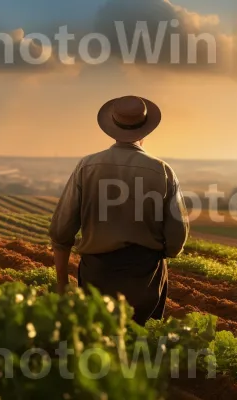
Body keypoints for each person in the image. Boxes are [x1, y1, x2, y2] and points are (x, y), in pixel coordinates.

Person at [49, 95, 189, 326]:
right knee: (141, 344)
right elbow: (177, 236)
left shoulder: (87, 166)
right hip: (145, 274)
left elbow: (61, 230)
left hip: (97, 272)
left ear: (112, 128)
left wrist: (62, 283)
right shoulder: (163, 171)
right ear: (145, 131)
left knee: (98, 342)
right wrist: (163, 252)